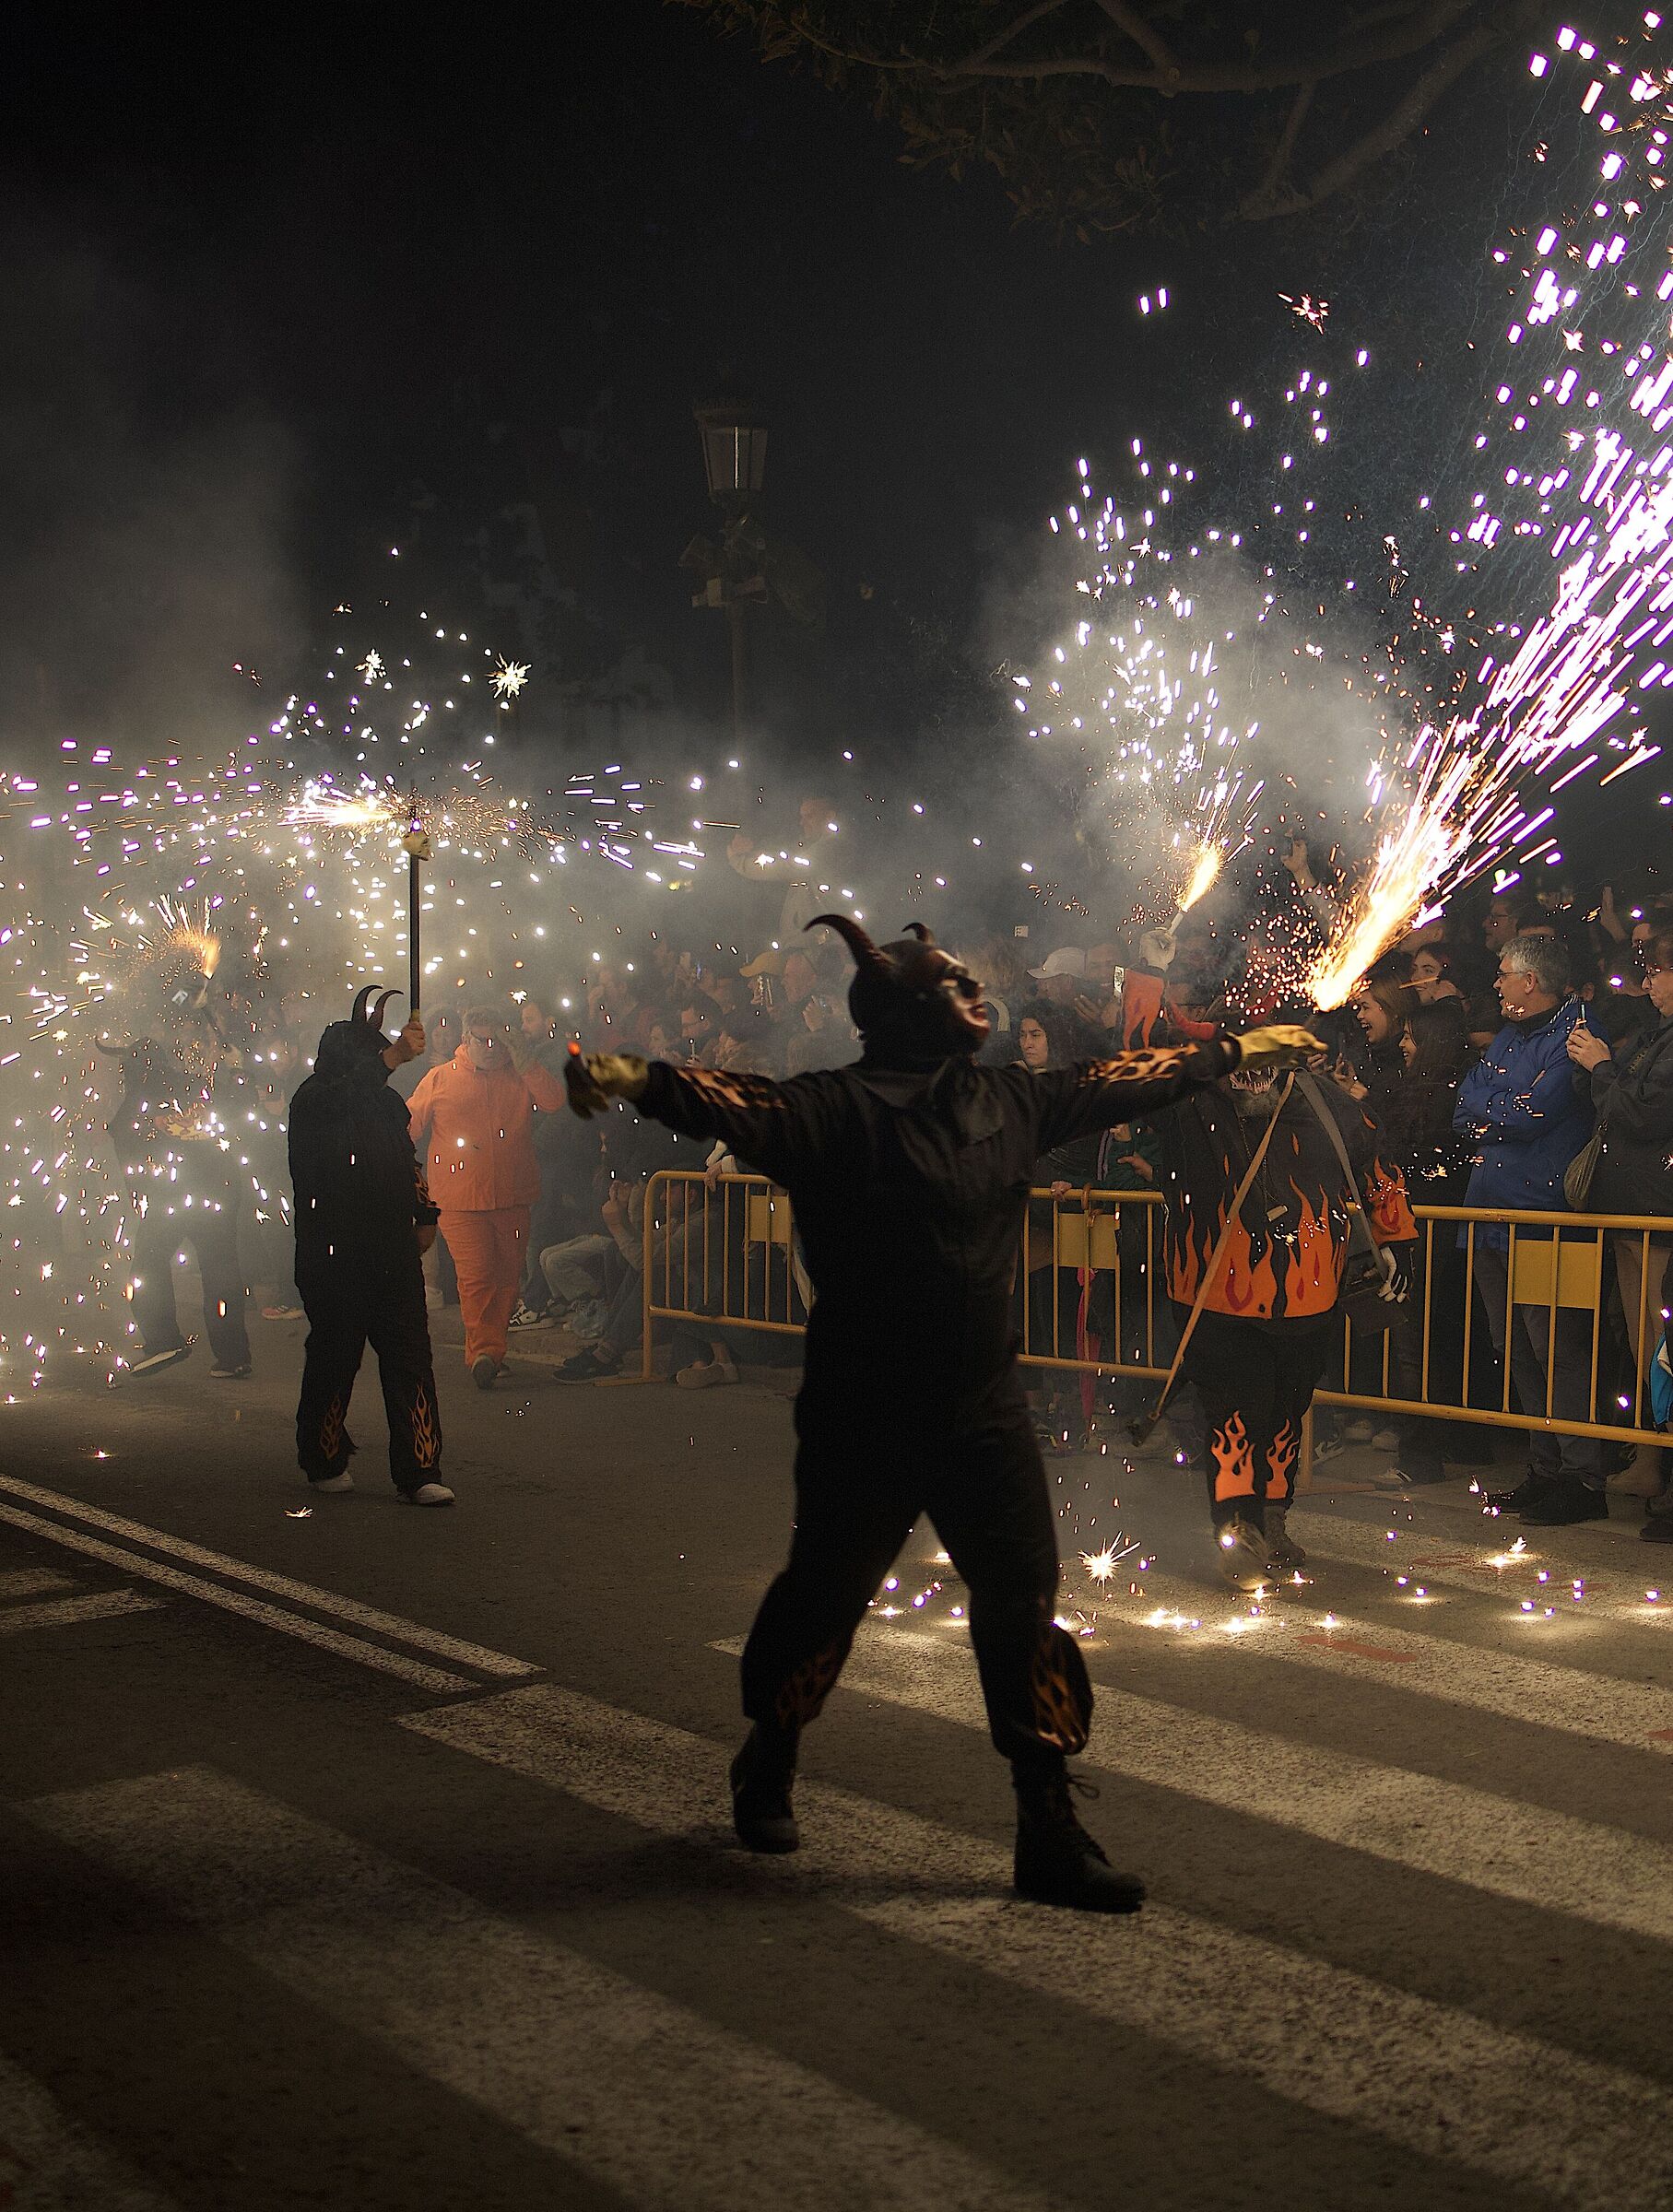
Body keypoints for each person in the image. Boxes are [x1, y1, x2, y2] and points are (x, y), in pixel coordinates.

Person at [566, 913, 1320, 1914]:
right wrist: (622, 1075)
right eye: (953, 984)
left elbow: (1120, 1081)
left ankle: (1046, 1824)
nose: (978, 995)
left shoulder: (1009, 1099)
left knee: (1025, 1611)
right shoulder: (832, 1109)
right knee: (826, 1599)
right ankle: (772, 1758)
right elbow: (726, 1100)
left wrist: (1236, 1050)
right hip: (863, 1409)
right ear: (910, 1013)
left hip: (982, 1408)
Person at [1157, 1043, 1417, 1586]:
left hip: (1308, 1295)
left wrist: (1392, 1238)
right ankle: (1237, 1527)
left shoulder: (1324, 1100)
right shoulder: (1186, 1099)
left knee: (1284, 1412)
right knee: (1234, 1414)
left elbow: (1375, 1162)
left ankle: (1273, 1517)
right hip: (1216, 1294)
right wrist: (1149, 973)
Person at [1455, 933, 1600, 1524]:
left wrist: (1498, 1109)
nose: (1496, 983)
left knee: (1557, 1350)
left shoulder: (1577, 1038)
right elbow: (1463, 1107)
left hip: (1544, 1220)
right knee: (1513, 1347)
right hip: (1492, 1212)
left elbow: (1534, 1115)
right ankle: (1546, 1469)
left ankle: (1582, 1478)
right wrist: (1502, 1109)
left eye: (1503, 973)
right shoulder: (1514, 1037)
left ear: (1530, 981)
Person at [288, 990, 451, 1505]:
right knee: (336, 1357)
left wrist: (425, 1214)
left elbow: (408, 1160)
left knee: (410, 1360)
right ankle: (323, 1456)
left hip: (390, 1250)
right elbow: (348, 1093)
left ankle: (420, 1470)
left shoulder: (383, 1100)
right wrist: (395, 1056)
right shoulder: (314, 1099)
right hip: (333, 1252)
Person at [1568, 922, 1673, 1539]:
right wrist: (1594, 1064)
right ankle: (1650, 1460)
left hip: (1660, 1213)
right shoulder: (1656, 1034)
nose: (1648, 983)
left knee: (1664, 1349)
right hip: (1638, 1211)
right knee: (1646, 1348)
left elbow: (1642, 1112)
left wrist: (1602, 1066)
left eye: (1657, 971)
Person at [406, 1005, 565, 1388]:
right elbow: (408, 1125)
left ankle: (490, 1350)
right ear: (466, 1039)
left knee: (507, 1277)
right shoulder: (440, 1079)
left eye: (499, 1039)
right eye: (485, 1040)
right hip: (459, 1199)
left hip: (513, 1195)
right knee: (476, 1277)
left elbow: (554, 1101)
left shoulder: (519, 1075)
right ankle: (483, 1352)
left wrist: (525, 1061)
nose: (493, 1047)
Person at [109, 977, 253, 1382]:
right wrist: (237, 1069)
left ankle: (162, 1341)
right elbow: (241, 1102)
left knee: (149, 1263)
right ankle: (232, 1354)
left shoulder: (147, 1085)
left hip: (178, 1192)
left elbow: (142, 1133)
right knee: (220, 1267)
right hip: (216, 1187)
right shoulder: (197, 1073)